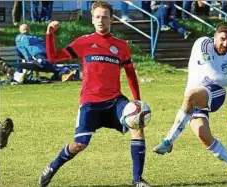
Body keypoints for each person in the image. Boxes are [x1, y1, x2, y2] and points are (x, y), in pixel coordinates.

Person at [39, 2, 151, 187]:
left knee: (137, 124)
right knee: (80, 144)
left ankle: (138, 180)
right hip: (90, 102)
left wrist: (136, 100)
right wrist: (49, 34)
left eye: (105, 16)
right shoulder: (83, 42)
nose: (101, 20)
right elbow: (53, 57)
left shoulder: (121, 46)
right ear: (92, 19)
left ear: (111, 20)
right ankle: (53, 166)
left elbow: (130, 73)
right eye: (97, 16)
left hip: (115, 101)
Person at [153, 22, 227, 175]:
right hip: (195, 98)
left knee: (191, 95)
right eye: (222, 39)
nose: (225, 43)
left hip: (216, 94)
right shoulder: (203, 43)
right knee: (203, 136)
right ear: (215, 36)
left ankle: (168, 141)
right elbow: (212, 75)